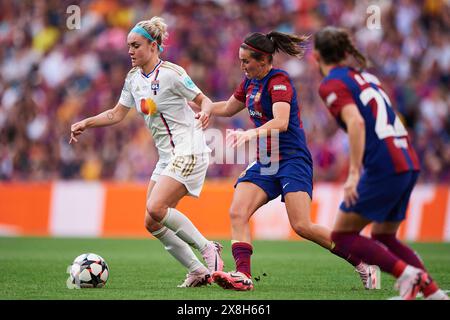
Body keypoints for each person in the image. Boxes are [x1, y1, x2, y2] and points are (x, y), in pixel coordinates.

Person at [195, 31, 379, 291]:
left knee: (302, 225)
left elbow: (281, 122)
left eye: (246, 61)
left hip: (293, 159)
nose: (242, 65)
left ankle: (364, 262)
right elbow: (226, 107)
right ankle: (243, 275)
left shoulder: (279, 81)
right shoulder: (249, 83)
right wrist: (203, 107)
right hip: (266, 161)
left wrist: (251, 133)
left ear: (264, 60)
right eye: (240, 60)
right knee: (237, 211)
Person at [69, 16, 224, 288]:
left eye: (136, 45)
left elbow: (204, 101)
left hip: (189, 149)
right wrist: (86, 123)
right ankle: (198, 271)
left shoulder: (172, 74)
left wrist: (206, 113)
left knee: (156, 207)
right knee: (151, 222)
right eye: (128, 46)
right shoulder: (133, 79)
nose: (130, 51)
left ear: (153, 46)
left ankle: (208, 247)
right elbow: (117, 113)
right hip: (167, 157)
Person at [313, 26, 448, 300]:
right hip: (407, 159)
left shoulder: (331, 84)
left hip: (385, 165)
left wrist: (353, 174)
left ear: (316, 57)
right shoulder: (366, 77)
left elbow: (356, 121)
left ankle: (409, 276)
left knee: (342, 235)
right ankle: (433, 294)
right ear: (344, 52)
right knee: (384, 236)